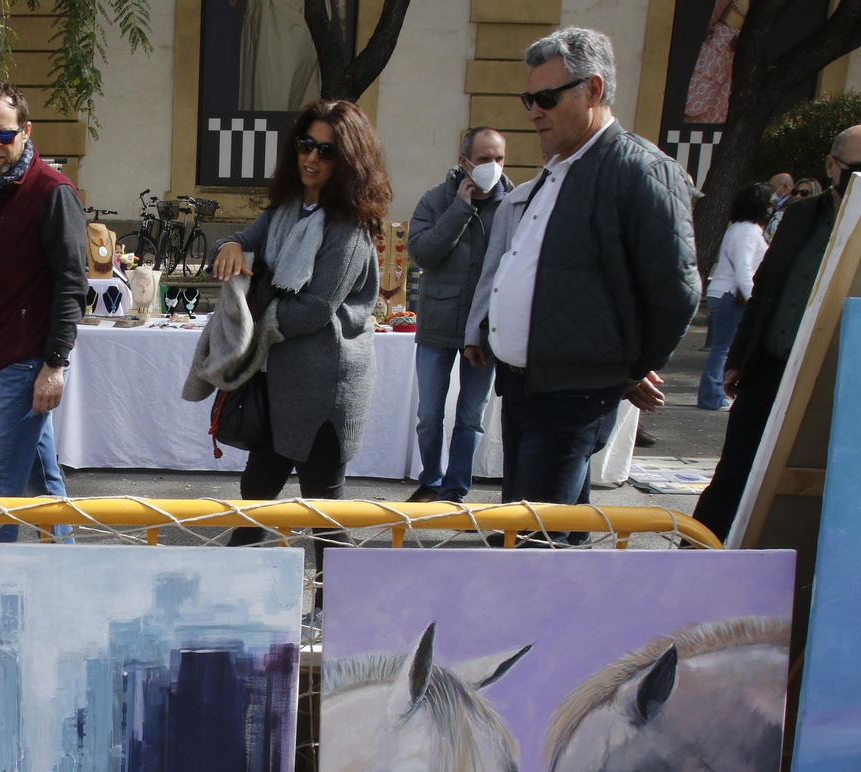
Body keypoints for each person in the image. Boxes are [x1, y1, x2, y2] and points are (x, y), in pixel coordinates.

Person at [462, 28, 699, 530]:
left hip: (572, 395)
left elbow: (676, 292)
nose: (533, 111)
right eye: (529, 98)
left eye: (546, 98)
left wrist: (630, 368)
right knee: (542, 536)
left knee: (531, 541)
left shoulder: (640, 170)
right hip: (527, 388)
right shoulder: (558, 170)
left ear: (593, 91)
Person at [694, 124, 861, 540]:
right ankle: (696, 553)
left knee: (822, 478)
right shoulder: (803, 215)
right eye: (859, 169)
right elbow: (766, 287)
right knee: (736, 467)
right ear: (832, 166)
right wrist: (738, 360)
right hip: (773, 367)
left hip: (845, 379)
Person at [211, 99, 386, 575]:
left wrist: (253, 315)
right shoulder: (287, 210)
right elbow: (239, 239)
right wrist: (229, 246)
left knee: (323, 509)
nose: (312, 158)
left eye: (327, 152)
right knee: (257, 495)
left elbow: (312, 311)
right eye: (306, 145)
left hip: (326, 388)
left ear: (348, 161)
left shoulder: (349, 228)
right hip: (278, 380)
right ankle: (235, 594)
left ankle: (341, 613)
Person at [0, 80, 89, 541]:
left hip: (25, 358)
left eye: (4, 135)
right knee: (41, 484)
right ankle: (67, 576)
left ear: (26, 131)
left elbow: (73, 284)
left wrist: (54, 364)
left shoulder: (53, 192)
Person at [406, 125, 513, 504]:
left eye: (499, 158)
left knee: (470, 416)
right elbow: (421, 254)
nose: (493, 166)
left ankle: (455, 491)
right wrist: (459, 209)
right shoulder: (436, 199)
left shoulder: (513, 203)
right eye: (484, 159)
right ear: (464, 161)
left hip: (483, 330)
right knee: (429, 415)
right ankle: (431, 480)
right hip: (437, 323)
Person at [698, 182, 772, 410]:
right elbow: (744, 270)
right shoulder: (748, 231)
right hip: (731, 295)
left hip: (722, 293)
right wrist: (753, 303)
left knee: (722, 347)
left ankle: (712, 395)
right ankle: (713, 397)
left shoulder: (736, 228)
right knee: (724, 348)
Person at [765, 172, 795, 240]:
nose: (771, 192)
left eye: (772, 188)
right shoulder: (775, 205)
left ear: (784, 187)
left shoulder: (790, 207)